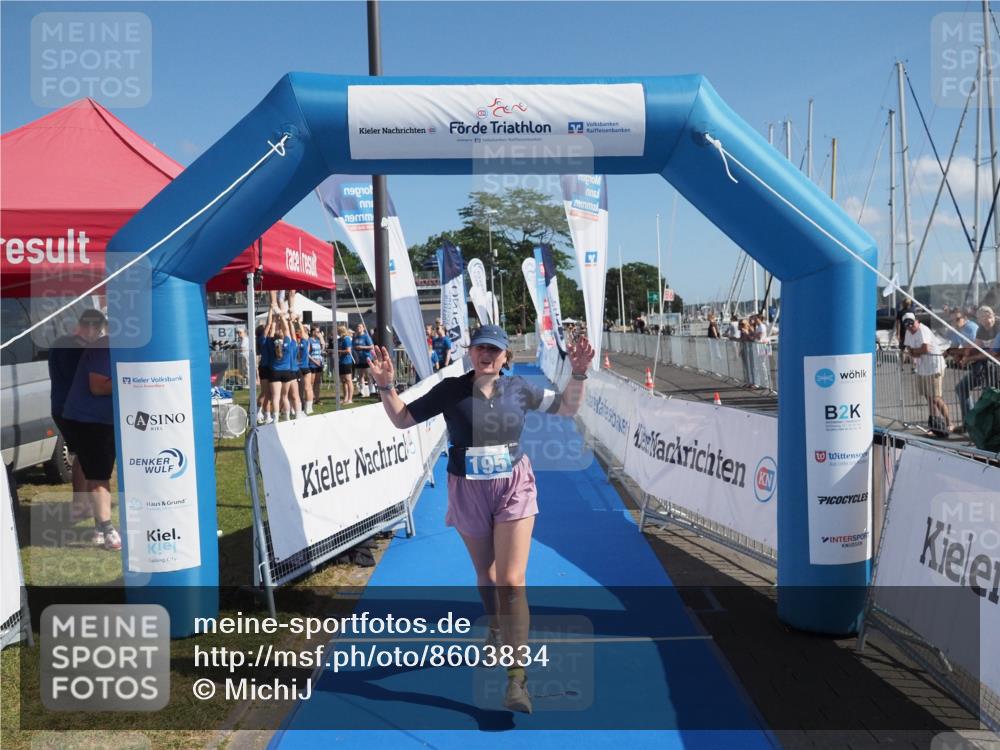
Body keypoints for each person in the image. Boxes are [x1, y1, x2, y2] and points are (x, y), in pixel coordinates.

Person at [368, 324, 595, 713]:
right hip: (467, 487)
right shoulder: (451, 390)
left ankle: (517, 679)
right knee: (487, 577)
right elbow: (403, 419)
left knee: (511, 581)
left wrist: (578, 373)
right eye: (479, 348)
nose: (486, 354)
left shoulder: (519, 389)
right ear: (470, 354)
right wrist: (387, 386)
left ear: (506, 357)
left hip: (513, 485)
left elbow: (568, 407)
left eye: (494, 348)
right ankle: (494, 625)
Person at [59, 333, 121, 550]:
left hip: (109, 419)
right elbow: (98, 386)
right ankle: (106, 529)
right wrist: (133, 375)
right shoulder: (104, 347)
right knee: (98, 474)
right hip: (86, 420)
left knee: (102, 472)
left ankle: (99, 526)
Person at [48, 309, 107, 521]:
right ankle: (82, 506)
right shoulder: (79, 350)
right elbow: (89, 382)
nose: (98, 335)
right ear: (90, 327)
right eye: (98, 331)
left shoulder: (60, 344)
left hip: (59, 407)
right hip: (76, 411)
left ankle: (79, 504)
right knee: (87, 457)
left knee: (82, 455)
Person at [902, 312, 953, 432]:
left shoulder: (923, 330)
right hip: (922, 368)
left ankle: (949, 422)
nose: (910, 326)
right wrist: (915, 352)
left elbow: (925, 349)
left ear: (917, 321)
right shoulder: (908, 332)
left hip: (935, 366)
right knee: (929, 398)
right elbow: (909, 350)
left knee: (936, 398)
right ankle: (934, 424)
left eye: (911, 323)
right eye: (907, 324)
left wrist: (915, 352)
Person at [952, 305, 1000, 425]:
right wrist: (964, 354)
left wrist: (970, 358)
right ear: (978, 320)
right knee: (962, 388)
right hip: (986, 367)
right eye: (983, 318)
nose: (987, 320)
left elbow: (991, 353)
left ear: (994, 316)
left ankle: (986, 427)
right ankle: (970, 423)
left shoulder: (998, 327)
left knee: (990, 396)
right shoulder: (981, 329)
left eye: (989, 317)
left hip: (995, 367)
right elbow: (977, 345)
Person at [268, 307, 303, 421]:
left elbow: (272, 330)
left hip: (275, 372)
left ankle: (276, 419)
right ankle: (288, 418)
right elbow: (288, 331)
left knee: (275, 397)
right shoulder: (289, 343)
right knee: (285, 397)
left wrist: (274, 320)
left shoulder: (271, 343)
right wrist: (283, 318)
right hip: (287, 373)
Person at [256, 316, 275, 424]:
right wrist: (271, 310)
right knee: (265, 392)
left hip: (269, 367)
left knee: (269, 393)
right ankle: (259, 412)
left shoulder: (268, 339)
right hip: (264, 367)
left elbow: (271, 327)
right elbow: (269, 325)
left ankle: (266, 414)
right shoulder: (262, 339)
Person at [353, 323, 375, 396]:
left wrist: (362, 347)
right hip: (359, 359)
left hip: (367, 358)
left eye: (360, 327)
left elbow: (371, 346)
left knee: (369, 375)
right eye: (357, 327)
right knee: (360, 375)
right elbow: (353, 346)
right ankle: (361, 391)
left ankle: (371, 391)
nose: (358, 328)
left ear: (363, 328)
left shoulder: (366, 336)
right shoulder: (355, 337)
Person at [337, 324, 355, 405]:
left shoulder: (347, 339)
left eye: (338, 330)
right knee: (343, 381)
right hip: (341, 361)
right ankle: (345, 398)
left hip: (347, 362)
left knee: (348, 380)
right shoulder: (339, 339)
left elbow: (348, 350)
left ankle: (350, 399)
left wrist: (338, 352)